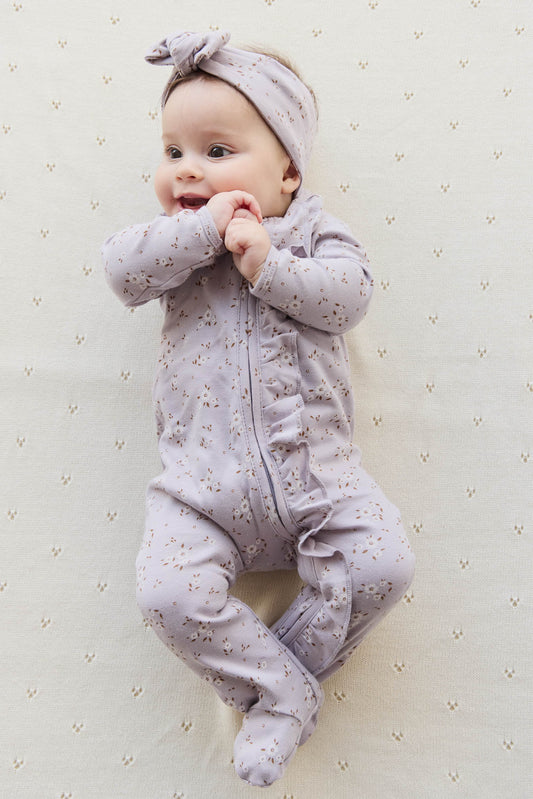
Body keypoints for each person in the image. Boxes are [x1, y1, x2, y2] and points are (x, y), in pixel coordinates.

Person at [102, 30, 415, 788]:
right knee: (165, 594)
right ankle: (281, 695)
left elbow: (349, 298)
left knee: (384, 565)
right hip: (200, 489)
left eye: (216, 151)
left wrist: (268, 264)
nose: (187, 170)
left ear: (288, 172)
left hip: (319, 480)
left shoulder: (313, 232)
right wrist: (201, 229)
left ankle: (278, 692)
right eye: (172, 151)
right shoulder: (178, 246)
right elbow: (121, 271)